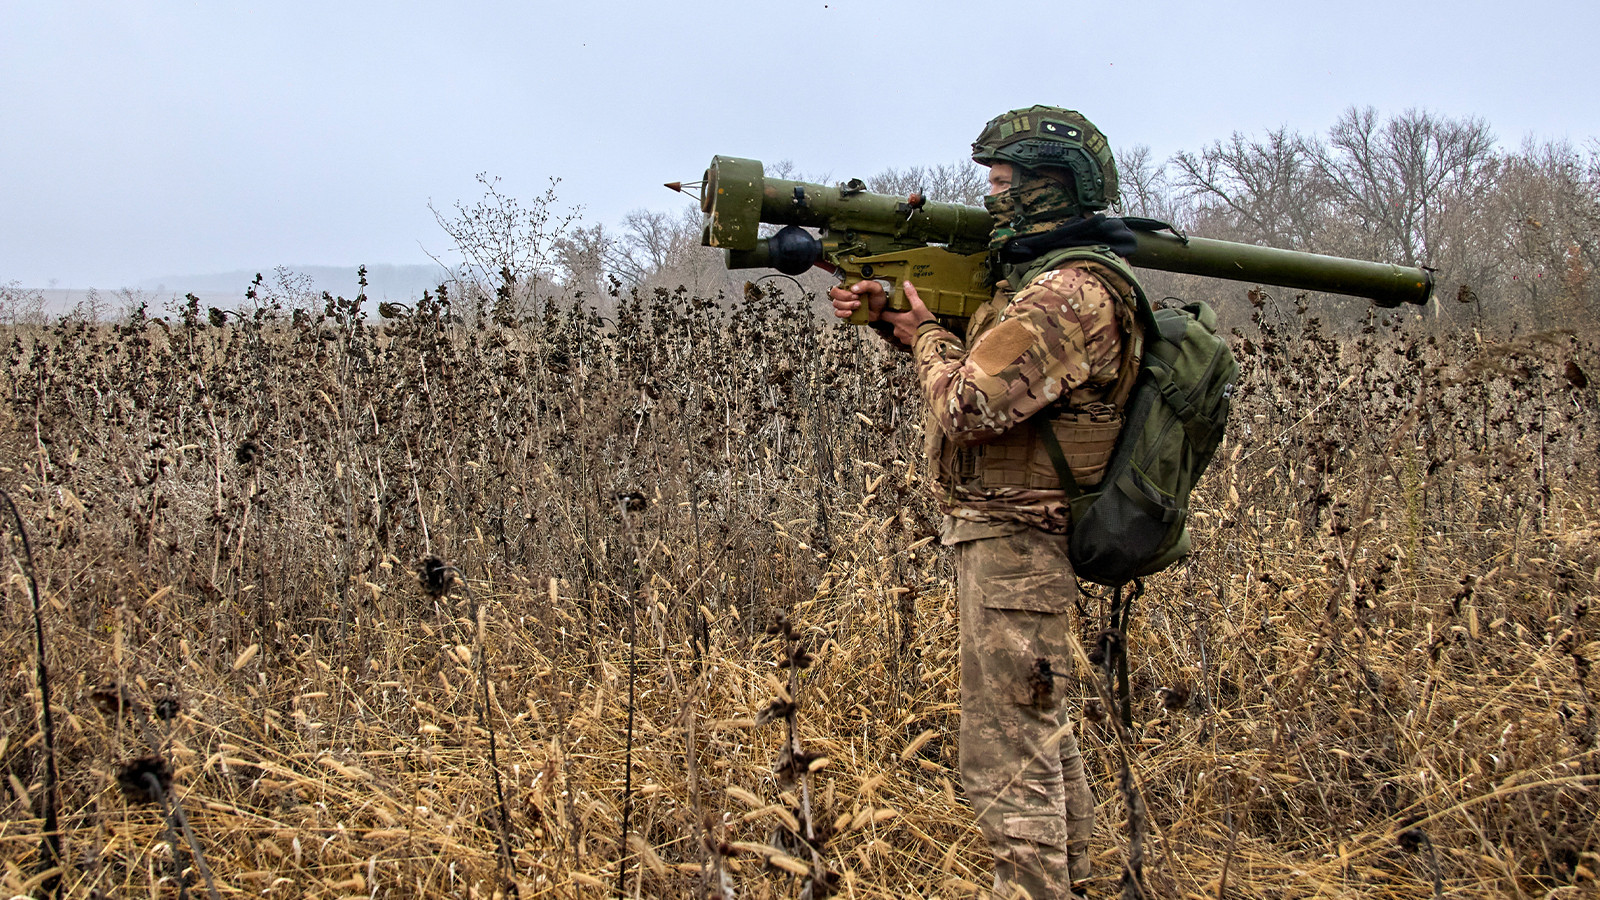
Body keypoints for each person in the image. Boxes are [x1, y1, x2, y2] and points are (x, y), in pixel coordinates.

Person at [829, 106, 1146, 899]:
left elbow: (969, 406)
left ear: (1050, 186)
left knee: (1008, 755)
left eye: (1004, 182)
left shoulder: (1066, 294)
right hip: (1011, 539)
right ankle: (1076, 885)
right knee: (1039, 736)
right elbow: (991, 372)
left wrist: (927, 338)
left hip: (1020, 542)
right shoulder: (1049, 283)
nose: (992, 198)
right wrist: (900, 325)